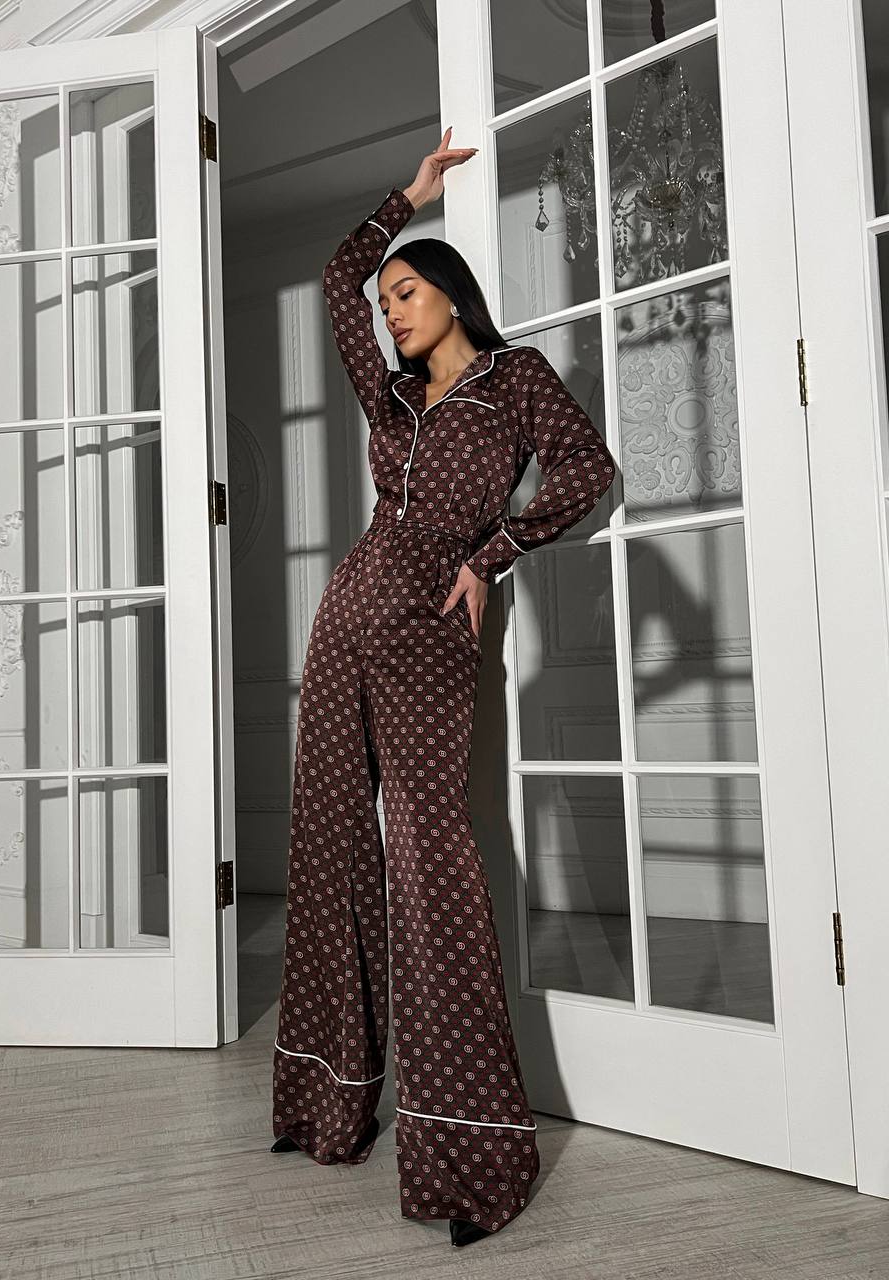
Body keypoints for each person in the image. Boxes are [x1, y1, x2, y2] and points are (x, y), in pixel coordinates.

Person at [270, 127, 617, 1247]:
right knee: (331, 840)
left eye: (408, 293)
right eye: (388, 306)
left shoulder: (517, 383)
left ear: (454, 295)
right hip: (347, 615)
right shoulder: (392, 399)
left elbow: (591, 470)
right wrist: (402, 198)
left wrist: (494, 551)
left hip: (428, 626)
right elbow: (337, 281)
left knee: (428, 856)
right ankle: (327, 1104)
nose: (390, 314)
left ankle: (472, 1154)